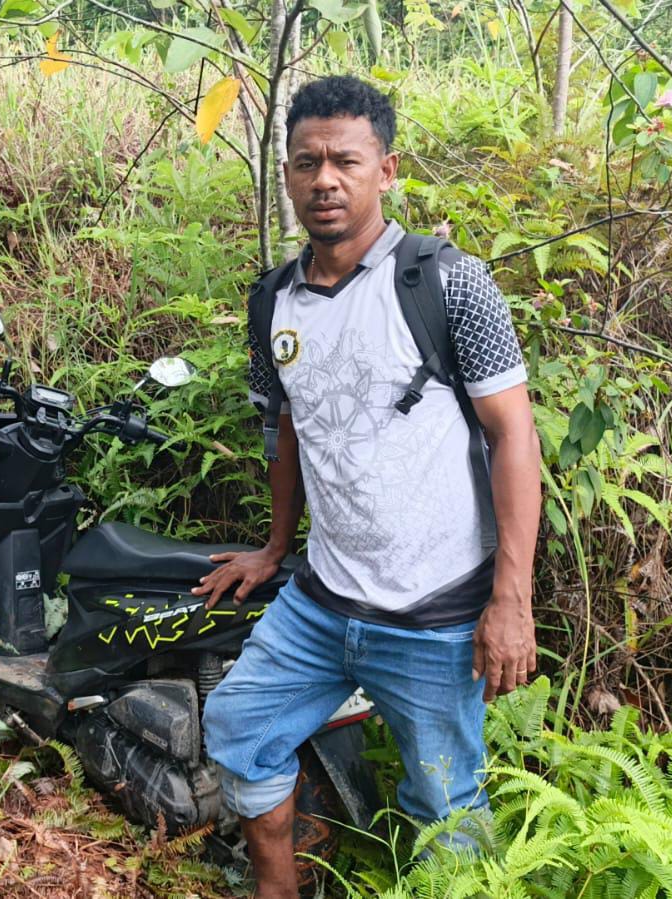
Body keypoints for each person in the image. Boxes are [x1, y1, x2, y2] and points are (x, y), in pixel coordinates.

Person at [194, 76, 541, 898]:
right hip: (322, 602)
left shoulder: (447, 283)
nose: (325, 179)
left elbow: (515, 437)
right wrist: (275, 546)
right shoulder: (271, 302)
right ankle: (279, 888)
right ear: (286, 174)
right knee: (240, 725)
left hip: (435, 614)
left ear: (385, 170)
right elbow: (285, 430)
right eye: (307, 162)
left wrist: (511, 596)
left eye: (345, 161)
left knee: (446, 806)